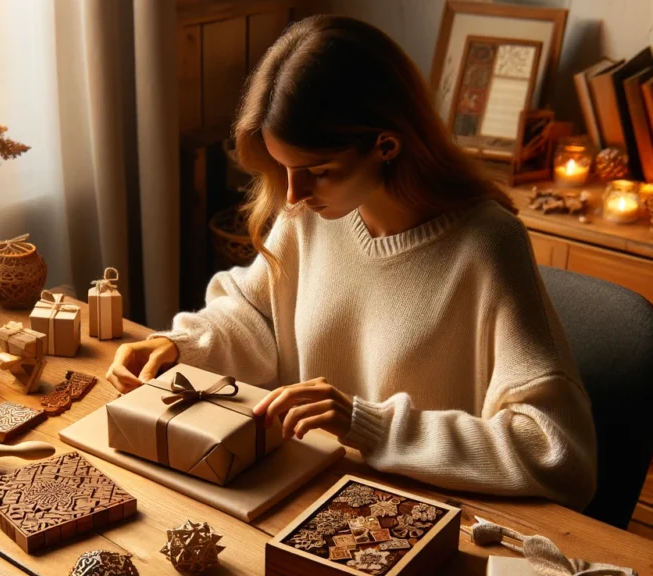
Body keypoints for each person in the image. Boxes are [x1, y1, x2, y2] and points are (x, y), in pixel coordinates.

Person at [107, 15, 597, 510]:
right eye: (286, 169)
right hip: (306, 496)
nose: (294, 195)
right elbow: (258, 316)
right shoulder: (313, 213)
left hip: (425, 522)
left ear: (387, 144)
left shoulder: (487, 245)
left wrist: (369, 426)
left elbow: (559, 452)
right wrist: (181, 347)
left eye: (318, 171)